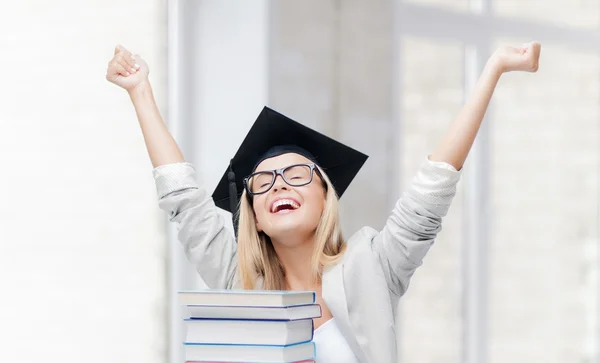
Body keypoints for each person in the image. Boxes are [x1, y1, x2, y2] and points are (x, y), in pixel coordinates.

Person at [106, 41, 541, 363]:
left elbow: (432, 191)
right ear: (253, 215)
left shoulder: (372, 266)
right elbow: (183, 199)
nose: (279, 185)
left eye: (297, 176)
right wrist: (139, 91)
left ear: (325, 196)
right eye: (263, 181)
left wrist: (493, 70)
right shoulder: (237, 280)